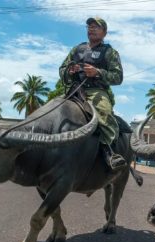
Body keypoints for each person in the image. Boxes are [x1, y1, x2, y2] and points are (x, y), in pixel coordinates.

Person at [59, 17, 126, 171]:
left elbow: (118, 77)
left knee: (104, 113)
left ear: (104, 32)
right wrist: (69, 71)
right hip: (74, 90)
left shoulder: (110, 52)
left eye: (96, 27)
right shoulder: (77, 49)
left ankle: (109, 151)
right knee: (53, 107)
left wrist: (98, 72)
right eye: (89, 26)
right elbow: (62, 70)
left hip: (97, 91)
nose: (91, 29)